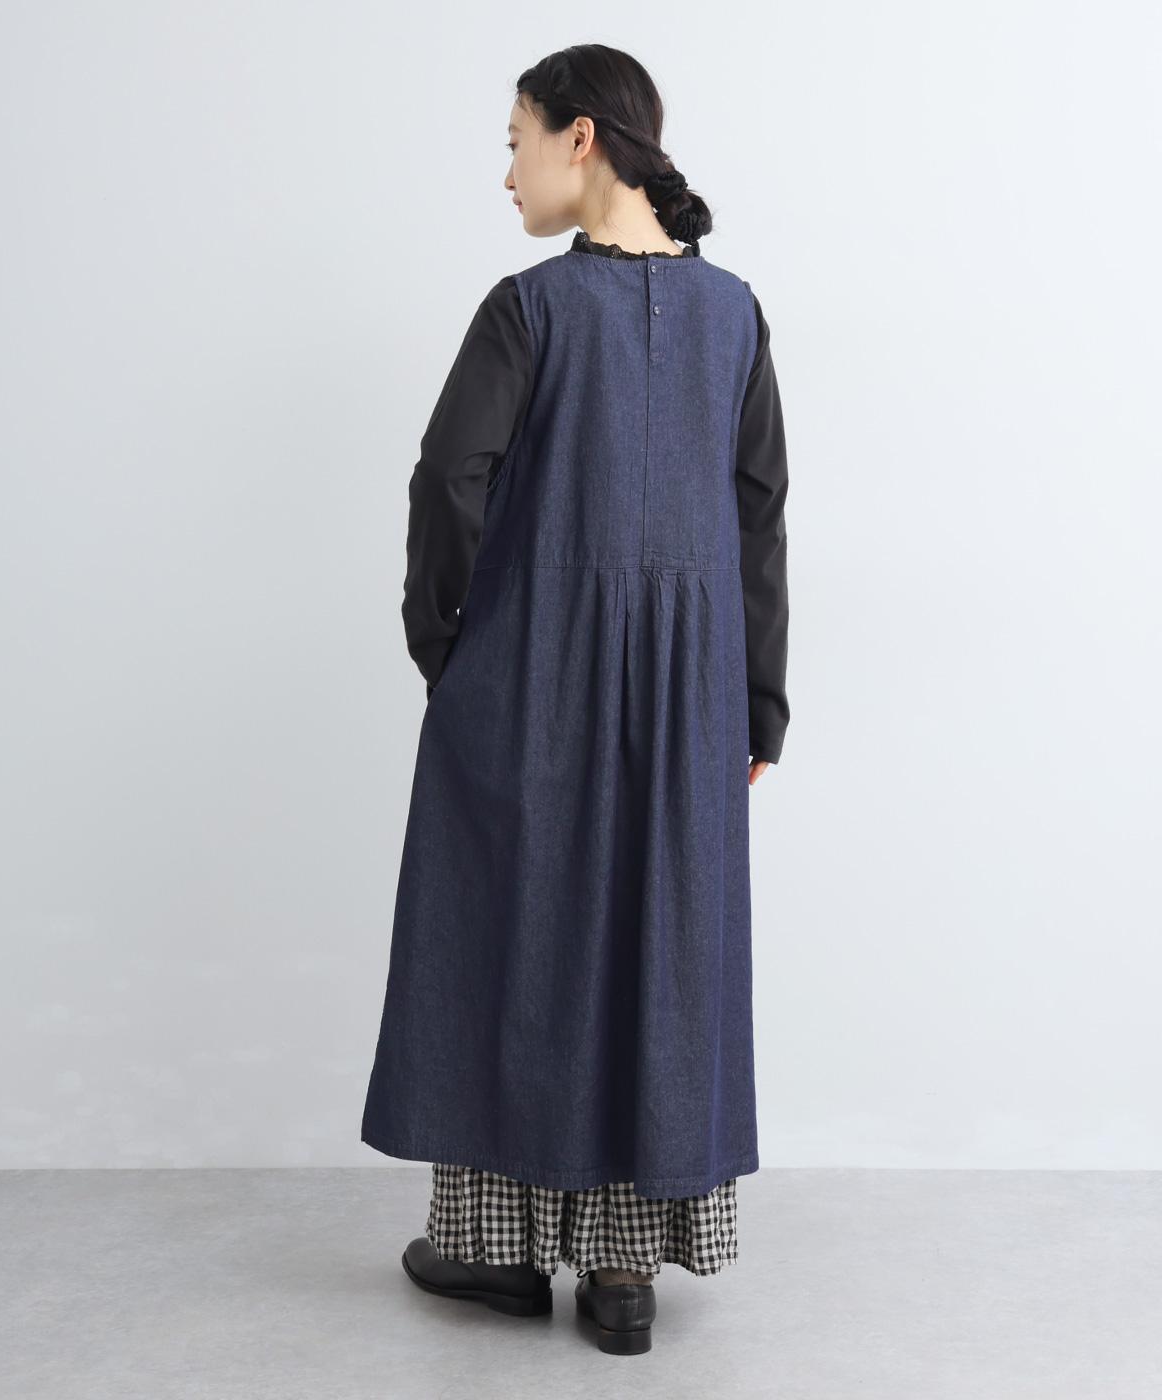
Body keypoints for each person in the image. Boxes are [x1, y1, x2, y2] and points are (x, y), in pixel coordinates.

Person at [361, 43, 790, 1356]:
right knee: (660, 940)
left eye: (516, 140)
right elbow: (759, 515)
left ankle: (500, 1251)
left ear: (582, 137)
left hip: (535, 666)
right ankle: (623, 1271)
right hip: (694, 687)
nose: (507, 172)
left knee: (519, 927)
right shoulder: (735, 313)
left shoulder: (529, 309)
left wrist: (446, 642)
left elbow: (449, 477)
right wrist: (758, 704)